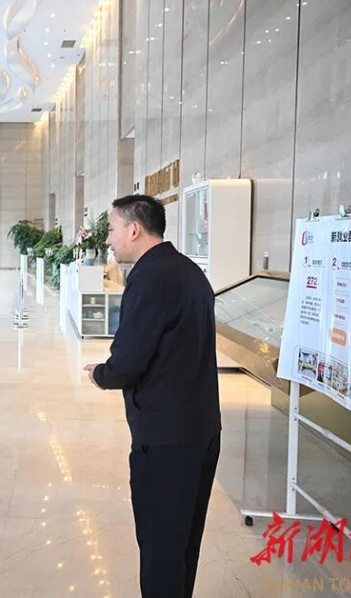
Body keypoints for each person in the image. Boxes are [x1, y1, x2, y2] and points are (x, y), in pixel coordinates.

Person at [83, 194, 221, 598]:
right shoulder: (188, 271)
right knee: (183, 543)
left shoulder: (149, 278)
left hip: (166, 437)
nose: (108, 239)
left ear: (134, 229)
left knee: (161, 545)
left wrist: (101, 374)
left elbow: (128, 361)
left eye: (112, 229)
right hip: (202, 429)